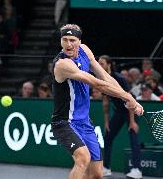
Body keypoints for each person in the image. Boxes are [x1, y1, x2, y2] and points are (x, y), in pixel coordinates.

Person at [51, 24, 144, 179]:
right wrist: (128, 97)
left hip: (84, 122)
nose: (68, 44)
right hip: (65, 122)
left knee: (96, 174)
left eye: (72, 40)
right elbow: (97, 84)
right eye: (64, 40)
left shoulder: (85, 51)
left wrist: (126, 96)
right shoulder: (62, 64)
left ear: (79, 41)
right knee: (83, 158)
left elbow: (105, 77)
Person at [98, 55, 142, 178]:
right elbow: (105, 102)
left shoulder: (119, 78)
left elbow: (130, 99)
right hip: (118, 112)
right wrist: (106, 122)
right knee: (107, 138)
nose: (99, 65)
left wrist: (133, 122)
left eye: (102, 63)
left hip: (131, 110)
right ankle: (106, 168)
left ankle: (137, 170)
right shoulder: (101, 79)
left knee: (133, 138)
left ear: (109, 64)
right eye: (98, 63)